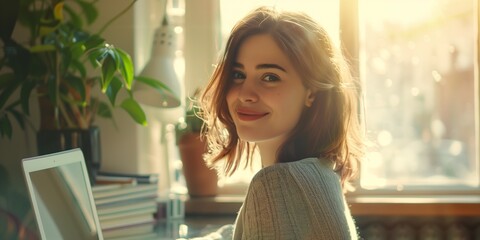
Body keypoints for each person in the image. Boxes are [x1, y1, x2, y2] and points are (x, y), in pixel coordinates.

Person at [199, 6, 365, 240]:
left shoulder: (276, 183)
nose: (245, 93)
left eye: (270, 77)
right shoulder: (319, 172)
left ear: (312, 93)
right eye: (238, 74)